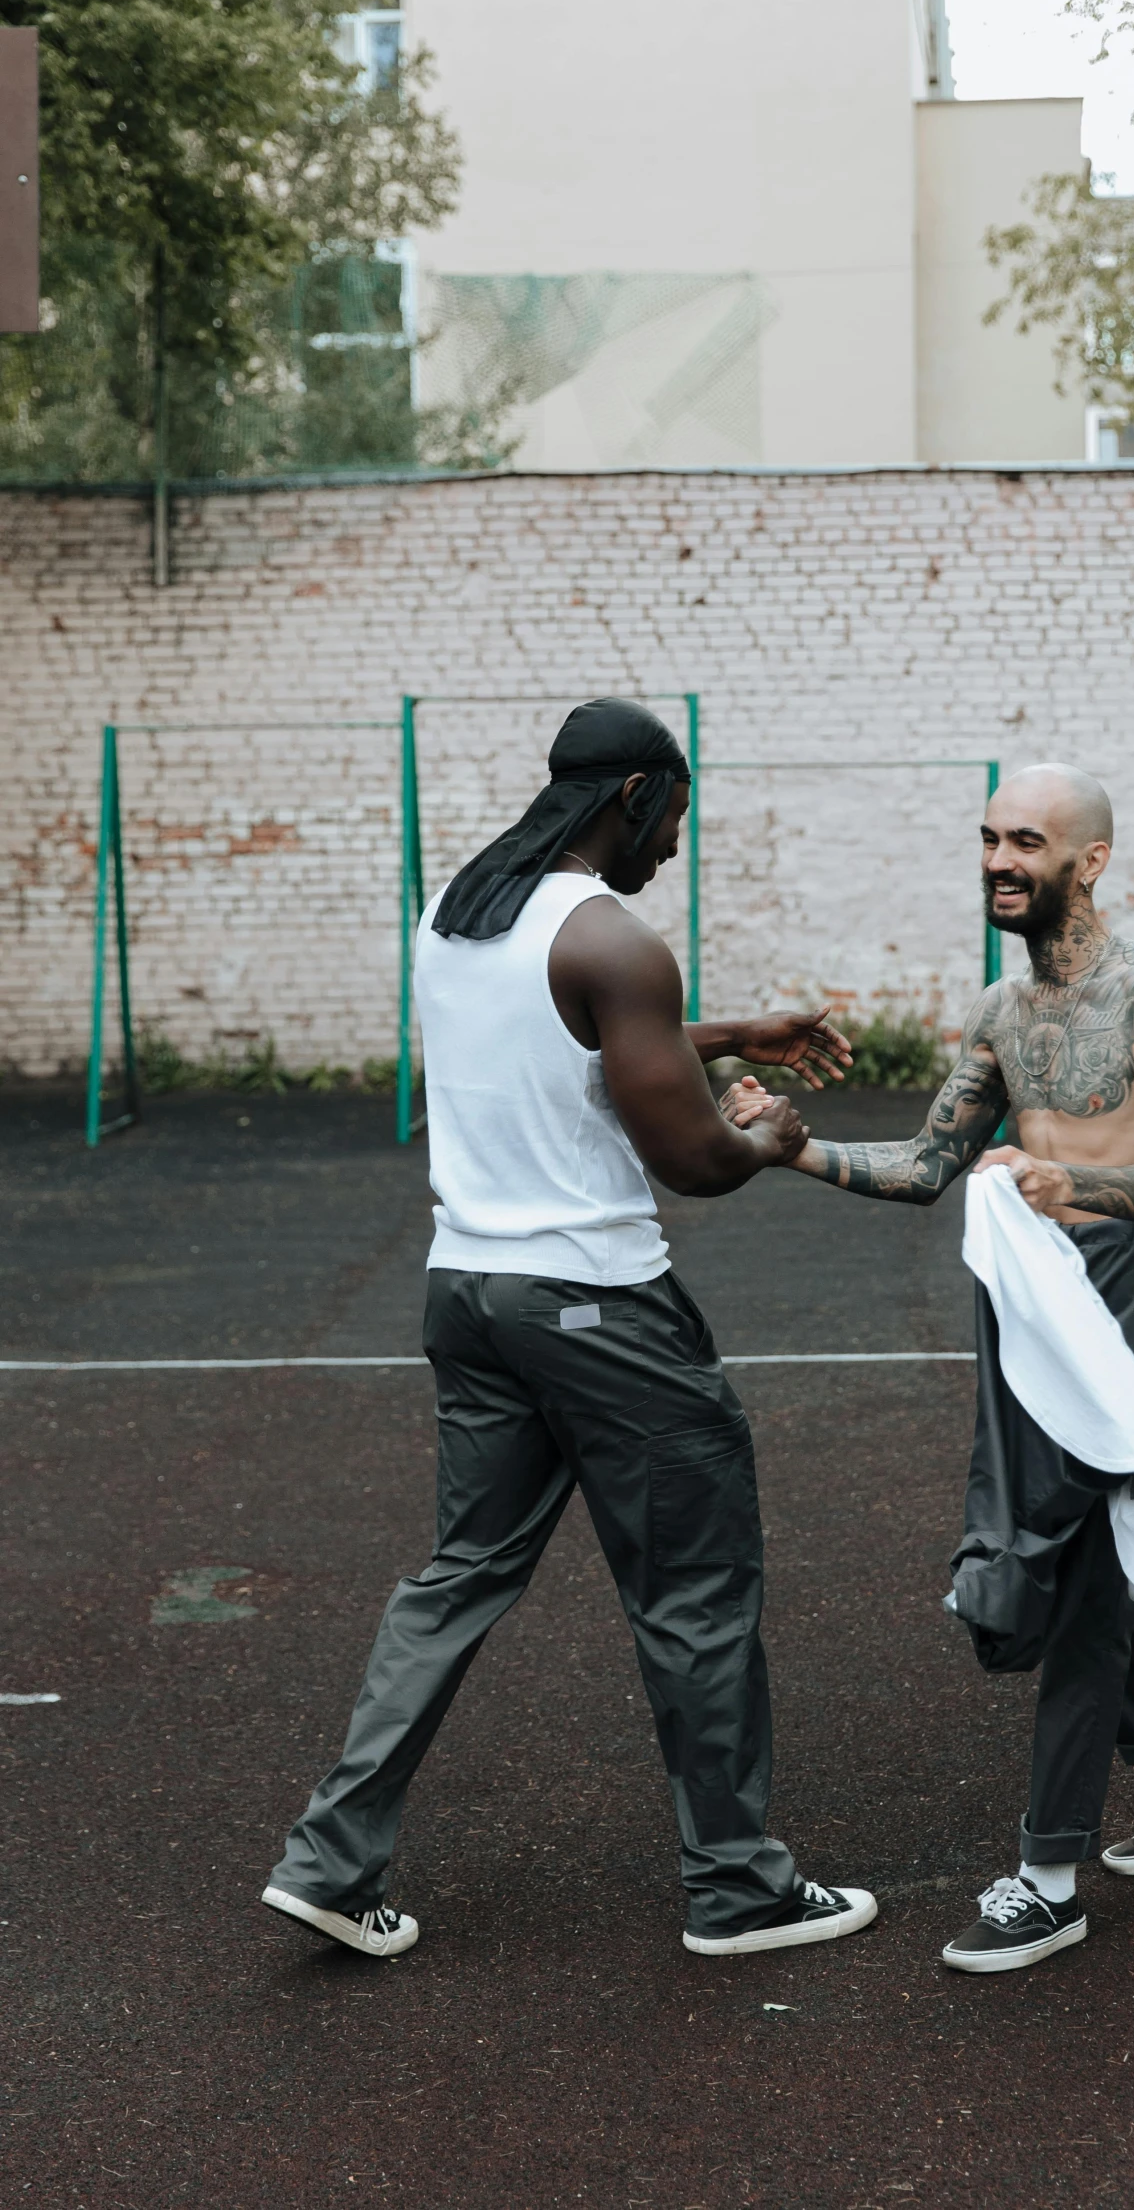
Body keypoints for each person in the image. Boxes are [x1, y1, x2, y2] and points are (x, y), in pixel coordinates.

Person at [262, 698, 877, 1961]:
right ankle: (738, 1890)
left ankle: (329, 1859)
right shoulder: (613, 938)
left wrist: (727, 1030)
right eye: (671, 823)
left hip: (470, 1296)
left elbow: (557, 1043)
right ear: (636, 797)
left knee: (458, 1575)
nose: (668, 852)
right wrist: (773, 1135)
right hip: (600, 1313)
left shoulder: (458, 907)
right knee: (695, 1594)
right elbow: (696, 1159)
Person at [729, 762, 1134, 1975]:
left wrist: (1080, 1184)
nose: (998, 860)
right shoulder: (998, 1014)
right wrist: (792, 1151)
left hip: (1130, 1296)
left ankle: (1048, 1875)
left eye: (1025, 840)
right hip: (1030, 1300)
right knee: (1063, 1561)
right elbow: (925, 1166)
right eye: (987, 839)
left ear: (1091, 859)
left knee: (1062, 1579)